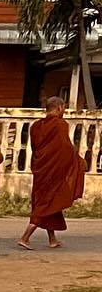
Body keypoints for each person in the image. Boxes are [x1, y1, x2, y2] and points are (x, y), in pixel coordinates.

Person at [20, 96, 88, 249]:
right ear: (59, 108)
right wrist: (78, 161)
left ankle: (52, 240)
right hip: (53, 172)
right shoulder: (59, 125)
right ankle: (25, 237)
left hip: (41, 170)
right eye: (63, 108)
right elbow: (65, 148)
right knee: (45, 205)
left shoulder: (36, 126)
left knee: (52, 205)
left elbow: (37, 149)